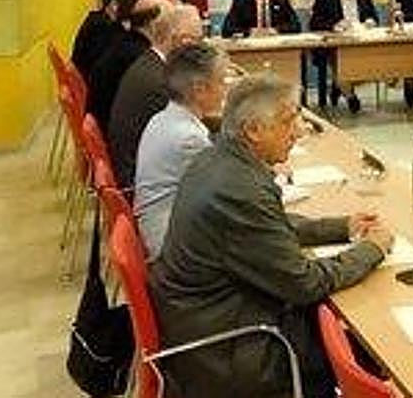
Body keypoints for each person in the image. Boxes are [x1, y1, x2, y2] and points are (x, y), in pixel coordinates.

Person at [151, 74, 394, 398]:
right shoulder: (240, 189)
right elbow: (304, 283)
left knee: (350, 331)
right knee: (368, 345)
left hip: (210, 316)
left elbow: (268, 225)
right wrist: (372, 250)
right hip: (230, 350)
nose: (298, 131)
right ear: (253, 130)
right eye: (287, 121)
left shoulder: (218, 159)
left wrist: (342, 226)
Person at [134, 42, 229, 261]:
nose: (226, 89)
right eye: (222, 81)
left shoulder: (163, 117)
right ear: (199, 89)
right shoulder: (188, 138)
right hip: (174, 248)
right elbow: (227, 195)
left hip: (165, 228)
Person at [108, 3, 204, 190]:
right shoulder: (159, 83)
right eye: (199, 40)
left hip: (134, 167)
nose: (201, 47)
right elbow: (187, 130)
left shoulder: (150, 64)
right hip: (139, 183)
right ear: (182, 41)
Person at [86, 0, 167, 134]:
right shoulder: (138, 57)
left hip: (107, 123)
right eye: (169, 24)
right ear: (154, 26)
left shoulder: (125, 43)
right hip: (111, 133)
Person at [308, 0, 378, 112]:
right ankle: (350, 96)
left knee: (375, 63)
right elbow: (315, 23)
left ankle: (338, 85)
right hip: (336, 44)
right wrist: (335, 25)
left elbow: (373, 15)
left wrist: (370, 21)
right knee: (339, 64)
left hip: (361, 41)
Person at [70, 0, 127, 84]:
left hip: (85, 76)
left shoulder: (95, 18)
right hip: (91, 81)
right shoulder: (101, 27)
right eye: (123, 4)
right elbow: (106, 62)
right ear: (112, 4)